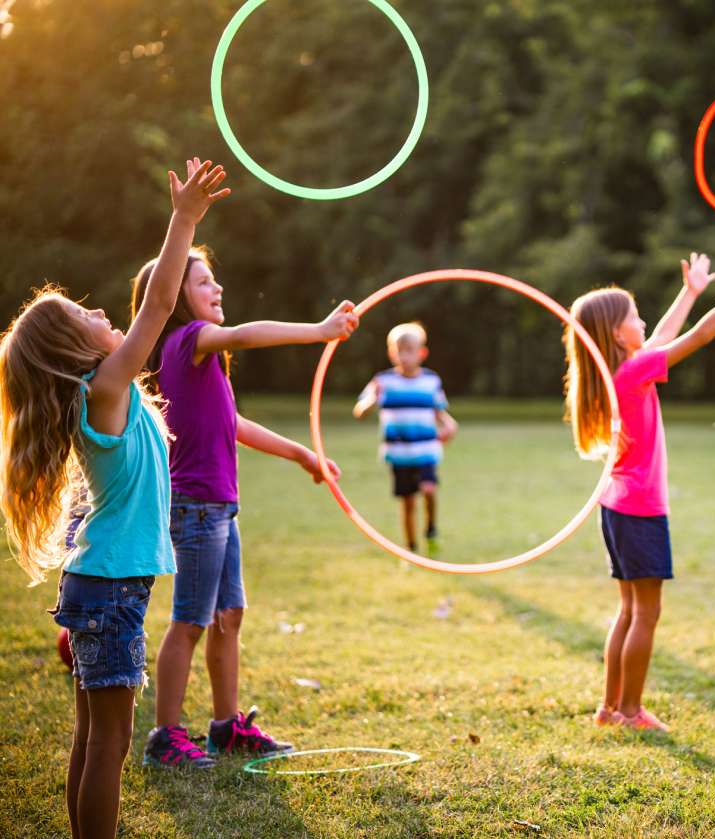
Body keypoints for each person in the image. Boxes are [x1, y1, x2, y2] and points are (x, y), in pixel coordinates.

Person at [0, 159, 228, 837]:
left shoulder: (104, 396)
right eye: (86, 313)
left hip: (99, 584)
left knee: (91, 737)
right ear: (78, 346)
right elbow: (159, 303)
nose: (104, 311)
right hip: (110, 589)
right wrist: (184, 218)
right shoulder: (103, 388)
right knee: (110, 743)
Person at [133, 159, 359, 769]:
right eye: (205, 283)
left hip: (221, 508)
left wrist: (303, 455)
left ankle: (226, 726)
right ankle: (165, 737)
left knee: (230, 616)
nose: (218, 291)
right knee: (191, 621)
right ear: (178, 295)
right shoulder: (187, 344)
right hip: (198, 508)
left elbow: (235, 428)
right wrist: (319, 331)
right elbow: (245, 335)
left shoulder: (201, 366)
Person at [565, 252, 715, 732]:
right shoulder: (630, 373)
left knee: (628, 610)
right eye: (634, 317)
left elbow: (664, 335)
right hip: (640, 510)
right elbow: (700, 337)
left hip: (617, 506)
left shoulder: (621, 372)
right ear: (616, 334)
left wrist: (690, 291)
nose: (644, 321)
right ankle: (629, 711)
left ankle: (610, 708)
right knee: (645, 613)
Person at [354, 321, 457, 549]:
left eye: (409, 350)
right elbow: (360, 412)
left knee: (429, 490)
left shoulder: (431, 380)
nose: (403, 356)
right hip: (399, 453)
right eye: (398, 351)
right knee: (408, 502)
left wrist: (450, 425)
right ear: (391, 353)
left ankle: (430, 528)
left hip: (426, 450)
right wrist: (372, 400)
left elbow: (438, 412)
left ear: (422, 353)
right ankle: (411, 548)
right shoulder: (383, 381)